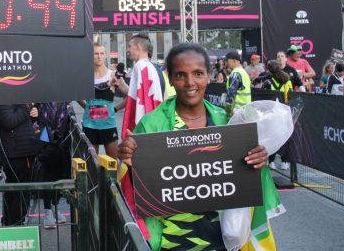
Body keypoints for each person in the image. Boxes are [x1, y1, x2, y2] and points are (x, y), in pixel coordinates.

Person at [117, 43, 282, 251]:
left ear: (208, 76)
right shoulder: (150, 126)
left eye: (198, 73)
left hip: (226, 237)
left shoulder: (229, 123)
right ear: (170, 79)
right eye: (180, 75)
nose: (190, 83)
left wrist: (258, 160)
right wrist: (130, 162)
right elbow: (134, 190)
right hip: (174, 239)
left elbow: (246, 181)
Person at [0, 103, 43, 226]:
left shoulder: (17, 99)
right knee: (19, 191)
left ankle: (11, 221)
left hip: (22, 150)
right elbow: (8, 121)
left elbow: (19, 121)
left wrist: (33, 115)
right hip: (16, 153)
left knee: (16, 189)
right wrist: (27, 109)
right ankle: (15, 222)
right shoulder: (4, 98)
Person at [78, 43, 124, 159]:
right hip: (90, 126)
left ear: (105, 56)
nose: (99, 56)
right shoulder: (85, 76)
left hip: (108, 126)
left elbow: (131, 95)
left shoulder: (112, 75)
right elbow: (74, 93)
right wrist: (86, 106)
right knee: (91, 167)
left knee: (113, 166)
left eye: (102, 53)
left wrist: (115, 108)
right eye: (96, 53)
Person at [119, 33, 163, 137]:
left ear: (138, 47)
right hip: (153, 124)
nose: (127, 50)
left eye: (130, 46)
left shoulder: (140, 66)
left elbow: (140, 103)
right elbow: (141, 95)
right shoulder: (153, 68)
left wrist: (139, 130)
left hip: (143, 128)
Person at [36, 102, 72, 229]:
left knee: (59, 176)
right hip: (45, 140)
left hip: (61, 142)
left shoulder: (64, 101)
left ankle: (55, 207)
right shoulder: (41, 100)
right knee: (47, 175)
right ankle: (48, 211)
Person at [224, 51, 251, 115]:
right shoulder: (243, 72)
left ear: (234, 61)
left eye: (227, 61)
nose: (226, 63)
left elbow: (230, 95)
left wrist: (227, 111)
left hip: (237, 111)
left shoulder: (235, 73)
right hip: (246, 110)